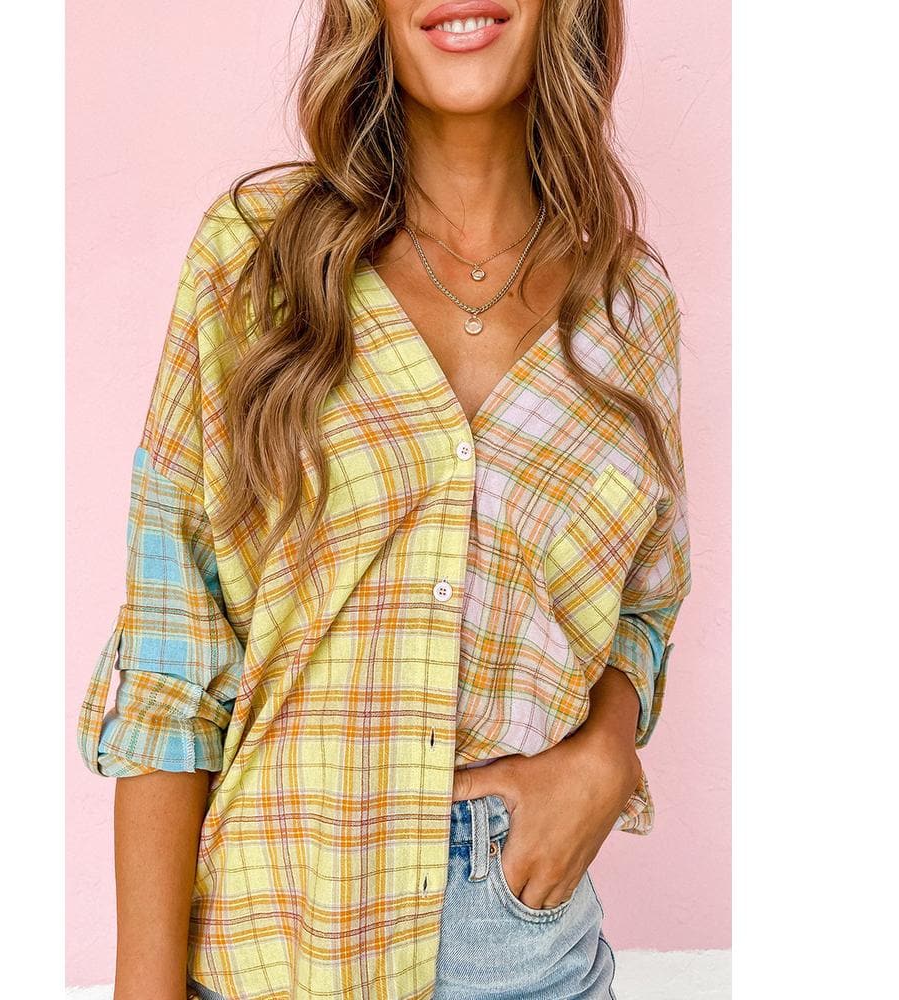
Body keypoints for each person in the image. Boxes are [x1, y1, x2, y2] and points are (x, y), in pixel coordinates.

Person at [75, 2, 692, 998]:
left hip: (526, 947)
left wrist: (605, 754)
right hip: (281, 938)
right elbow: (171, 652)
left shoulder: (628, 308)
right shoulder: (254, 259)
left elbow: (645, 604)